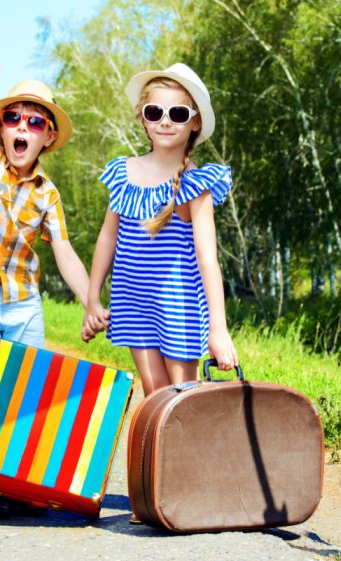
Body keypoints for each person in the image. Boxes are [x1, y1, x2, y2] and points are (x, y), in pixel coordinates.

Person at [0, 38, 96, 518]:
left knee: (24, 388)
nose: (22, 127)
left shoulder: (48, 194)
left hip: (25, 302)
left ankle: (16, 483)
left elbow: (65, 252)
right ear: (3, 127)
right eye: (14, 118)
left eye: (35, 122)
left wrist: (91, 300)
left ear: (48, 137)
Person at [83, 63, 239, 398]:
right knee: (154, 393)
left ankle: (184, 453)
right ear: (143, 118)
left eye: (178, 113)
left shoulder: (197, 184)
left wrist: (218, 329)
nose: (165, 120)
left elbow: (208, 258)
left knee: (183, 399)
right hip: (132, 300)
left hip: (178, 304)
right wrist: (92, 300)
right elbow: (107, 238)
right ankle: (153, 453)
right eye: (155, 111)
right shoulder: (123, 173)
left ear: (194, 122)